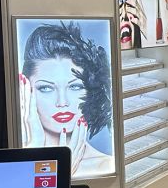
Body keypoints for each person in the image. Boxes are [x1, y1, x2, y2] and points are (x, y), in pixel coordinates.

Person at [18, 21, 114, 177]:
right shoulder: (12, 164)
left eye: (75, 87)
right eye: (46, 88)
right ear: (26, 91)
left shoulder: (106, 165)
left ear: (91, 90)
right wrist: (34, 148)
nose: (62, 102)